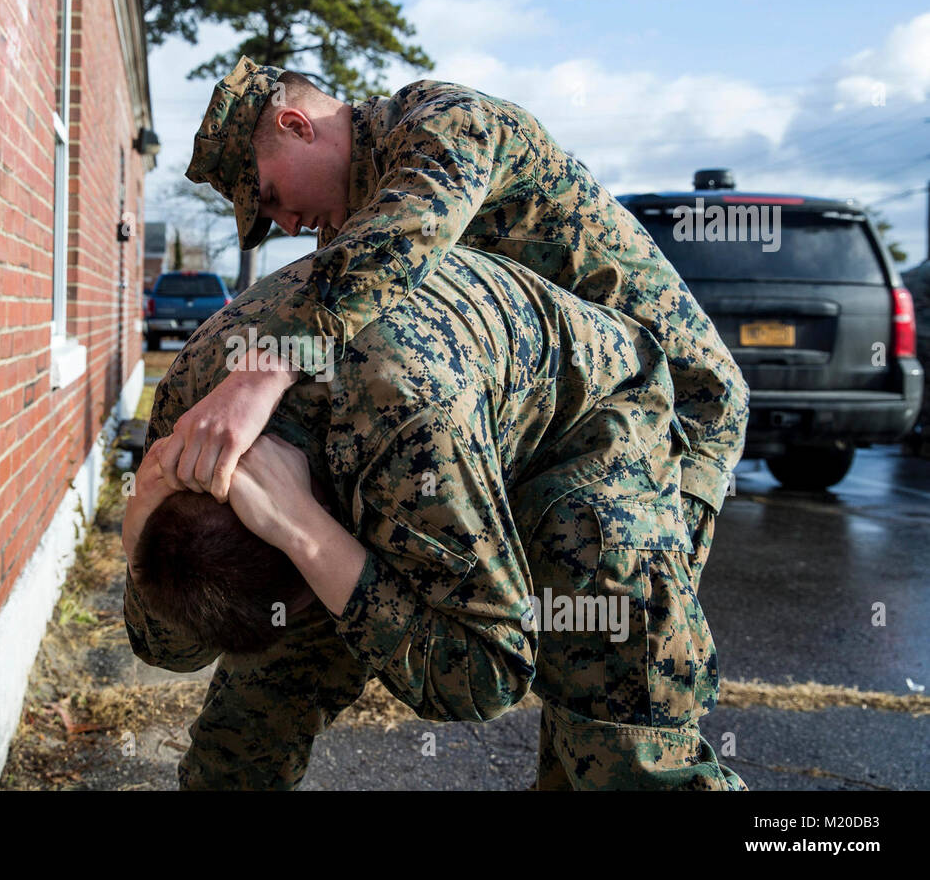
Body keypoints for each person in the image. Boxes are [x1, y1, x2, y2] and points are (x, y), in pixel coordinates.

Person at [123, 244, 746, 791]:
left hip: (589, 428)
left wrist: (308, 535)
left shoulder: (411, 432)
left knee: (621, 746)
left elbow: (488, 671)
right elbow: (168, 648)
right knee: (245, 731)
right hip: (374, 464)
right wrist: (139, 528)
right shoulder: (192, 407)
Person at [156, 56, 747, 595]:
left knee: (606, 653)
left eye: (271, 197)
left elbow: (408, 233)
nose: (285, 225)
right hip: (557, 417)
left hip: (672, 407)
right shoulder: (349, 235)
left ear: (296, 125)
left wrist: (255, 379)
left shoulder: (444, 120)